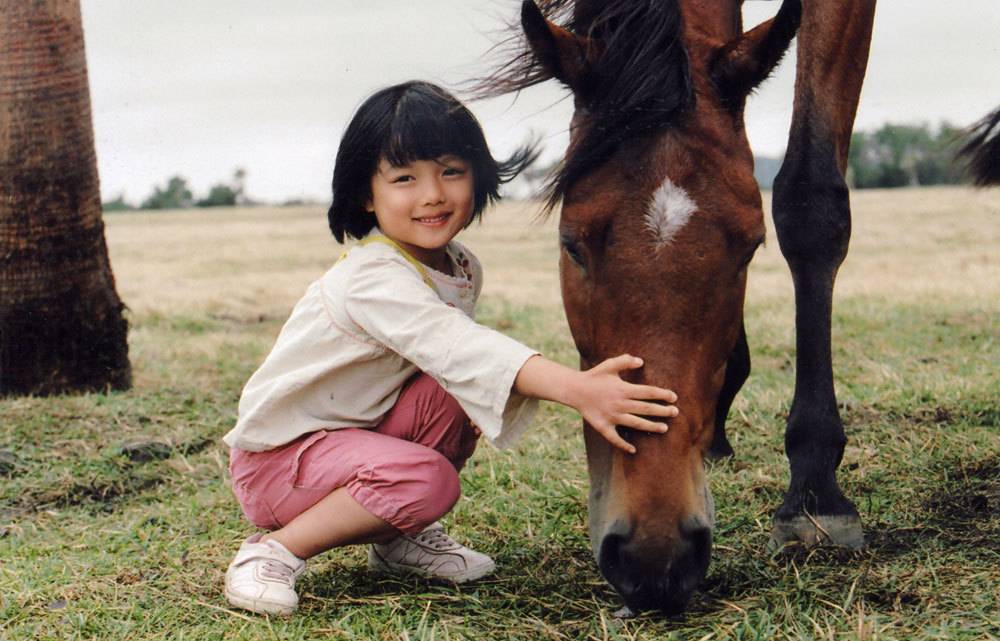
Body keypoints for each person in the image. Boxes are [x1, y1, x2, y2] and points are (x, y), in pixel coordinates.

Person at [222, 81, 679, 616]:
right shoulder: (372, 276)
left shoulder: (458, 264)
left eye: (451, 171)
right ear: (366, 194)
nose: (433, 193)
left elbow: (454, 366)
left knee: (457, 392)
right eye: (404, 178)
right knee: (429, 477)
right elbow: (457, 346)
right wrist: (577, 388)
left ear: (478, 175)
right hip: (282, 461)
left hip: (350, 438)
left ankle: (396, 541)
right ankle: (272, 553)